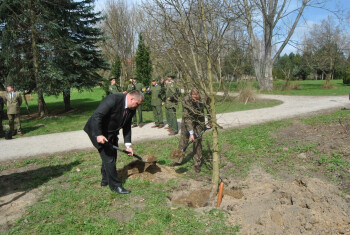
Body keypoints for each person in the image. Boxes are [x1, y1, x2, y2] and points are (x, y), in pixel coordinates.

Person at [84, 90, 144, 194]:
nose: (137, 106)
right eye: (137, 103)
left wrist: (128, 145)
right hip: (97, 130)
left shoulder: (131, 109)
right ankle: (115, 186)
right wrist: (98, 134)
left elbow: (127, 127)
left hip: (111, 133)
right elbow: (97, 116)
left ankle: (105, 180)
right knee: (109, 158)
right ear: (132, 99)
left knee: (111, 156)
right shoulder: (113, 99)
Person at [169, 88, 211, 173]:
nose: (195, 100)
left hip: (199, 120)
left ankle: (197, 163)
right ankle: (178, 160)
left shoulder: (204, 98)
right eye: (193, 98)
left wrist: (210, 120)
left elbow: (209, 108)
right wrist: (191, 133)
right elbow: (187, 118)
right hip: (187, 120)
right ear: (191, 95)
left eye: (196, 98)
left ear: (199, 95)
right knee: (183, 140)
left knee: (197, 141)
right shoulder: (186, 100)